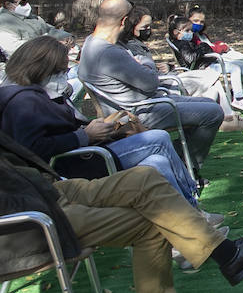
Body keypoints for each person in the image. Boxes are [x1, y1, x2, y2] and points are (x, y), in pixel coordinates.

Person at [0, 131, 243, 293]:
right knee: (151, 224)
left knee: (143, 177)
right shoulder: (22, 98)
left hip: (49, 189)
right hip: (28, 218)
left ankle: (230, 255)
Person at [0, 36, 203, 208]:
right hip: (72, 166)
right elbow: (31, 149)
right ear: (40, 68)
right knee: (157, 138)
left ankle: (181, 225)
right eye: (60, 71)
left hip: (86, 154)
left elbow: (63, 125)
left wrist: (105, 129)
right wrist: (84, 136)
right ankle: (194, 208)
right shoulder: (23, 101)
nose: (64, 76)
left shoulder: (40, 93)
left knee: (156, 163)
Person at [77, 0, 225, 173]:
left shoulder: (90, 42)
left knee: (209, 104)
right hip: (139, 112)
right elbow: (151, 83)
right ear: (124, 21)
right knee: (214, 113)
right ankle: (185, 166)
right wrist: (146, 62)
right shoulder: (109, 52)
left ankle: (178, 161)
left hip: (138, 104)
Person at [168, 14, 243, 116]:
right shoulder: (182, 43)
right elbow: (190, 58)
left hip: (206, 63)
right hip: (202, 68)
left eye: (191, 30)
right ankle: (239, 98)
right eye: (187, 31)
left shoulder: (186, 42)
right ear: (177, 32)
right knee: (235, 68)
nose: (191, 33)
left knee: (239, 65)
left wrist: (204, 48)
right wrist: (202, 48)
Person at [186, 6, 243, 98]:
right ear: (188, 20)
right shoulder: (191, 36)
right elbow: (207, 49)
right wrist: (222, 47)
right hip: (208, 63)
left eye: (202, 22)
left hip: (215, 58)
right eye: (196, 21)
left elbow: (210, 45)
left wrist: (220, 45)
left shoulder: (202, 35)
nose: (199, 24)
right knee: (238, 66)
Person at [0, 0, 73, 57]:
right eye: (23, 2)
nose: (27, 5)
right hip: (22, 65)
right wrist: (50, 45)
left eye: (28, 1)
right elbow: (15, 49)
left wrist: (67, 38)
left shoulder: (33, 18)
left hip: (46, 60)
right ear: (8, 4)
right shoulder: (3, 23)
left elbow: (50, 30)